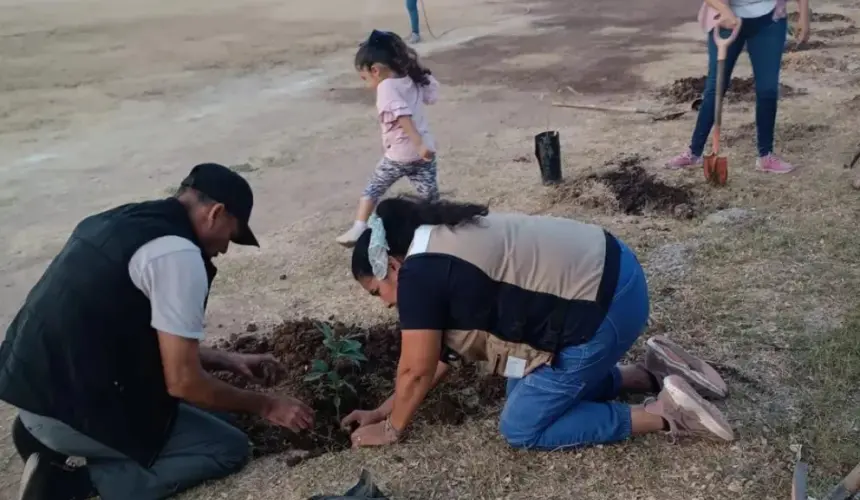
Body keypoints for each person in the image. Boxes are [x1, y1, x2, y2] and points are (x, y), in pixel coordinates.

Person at [2, 163, 315, 500]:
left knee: (214, 411)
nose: (225, 249)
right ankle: (66, 485)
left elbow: (125, 335)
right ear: (216, 213)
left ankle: (42, 440)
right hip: (63, 411)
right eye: (232, 235)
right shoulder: (179, 255)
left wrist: (224, 359)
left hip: (31, 390)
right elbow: (183, 382)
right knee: (226, 447)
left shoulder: (123, 221)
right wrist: (268, 406)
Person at [339, 196, 734, 449]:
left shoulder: (418, 276)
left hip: (601, 312)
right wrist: (382, 411)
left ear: (391, 264)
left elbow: (415, 370)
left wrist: (392, 430)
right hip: (621, 275)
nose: (387, 305)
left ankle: (667, 414)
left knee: (522, 424)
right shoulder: (437, 238)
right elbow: (437, 359)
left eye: (378, 292)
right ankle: (651, 373)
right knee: (526, 386)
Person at [665, 0, 810, 174]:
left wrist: (804, 15)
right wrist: (723, 9)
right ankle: (693, 152)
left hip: (769, 20)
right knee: (716, 85)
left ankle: (766, 156)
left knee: (768, 89)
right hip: (727, 20)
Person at [336, 30, 441, 247]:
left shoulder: (386, 87)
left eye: (364, 77)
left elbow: (402, 116)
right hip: (425, 155)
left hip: (400, 154)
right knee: (430, 197)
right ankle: (438, 231)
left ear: (375, 70)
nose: (366, 83)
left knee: (373, 188)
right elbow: (431, 96)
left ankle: (358, 227)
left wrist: (417, 143)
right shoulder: (411, 79)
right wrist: (422, 146)